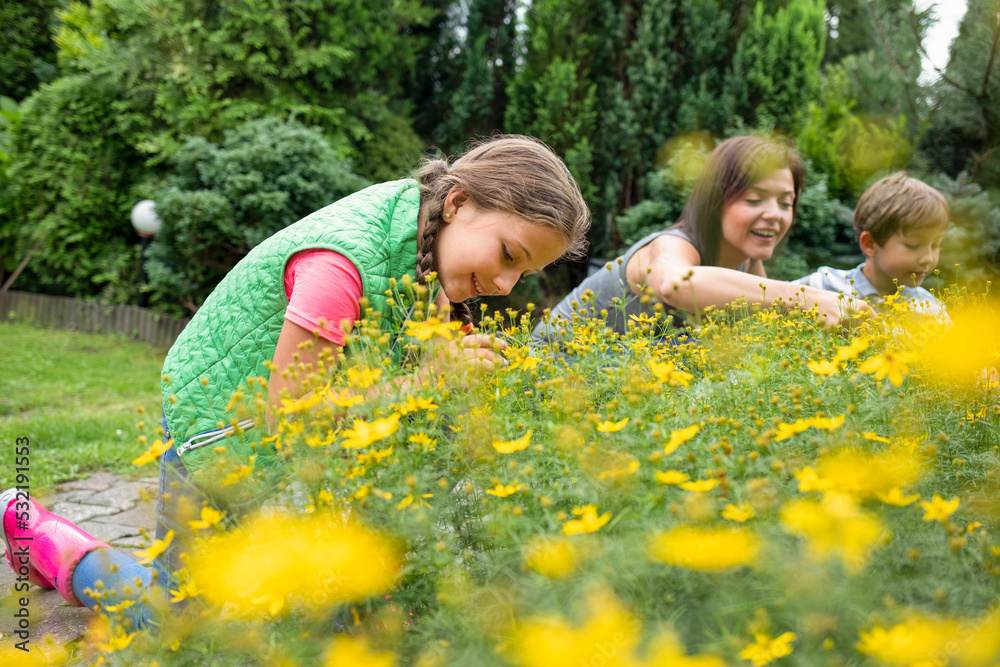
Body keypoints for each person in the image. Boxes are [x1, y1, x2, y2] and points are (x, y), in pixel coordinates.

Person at [0, 134, 591, 630]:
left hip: (283, 437)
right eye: (508, 255)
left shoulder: (423, 232)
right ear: (458, 202)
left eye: (526, 272)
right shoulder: (341, 265)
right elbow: (297, 413)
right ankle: (48, 541)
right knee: (177, 624)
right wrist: (434, 378)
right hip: (219, 428)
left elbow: (396, 345)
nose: (508, 285)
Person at [532, 135, 865, 346]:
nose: (774, 215)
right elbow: (676, 284)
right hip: (548, 383)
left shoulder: (749, 264)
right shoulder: (671, 247)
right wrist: (809, 298)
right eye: (754, 199)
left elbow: (766, 335)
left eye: (785, 202)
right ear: (716, 201)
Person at [793, 172, 949, 317]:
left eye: (936, 245)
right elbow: (771, 296)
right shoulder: (824, 285)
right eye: (913, 244)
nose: (928, 258)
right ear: (870, 244)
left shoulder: (931, 310)